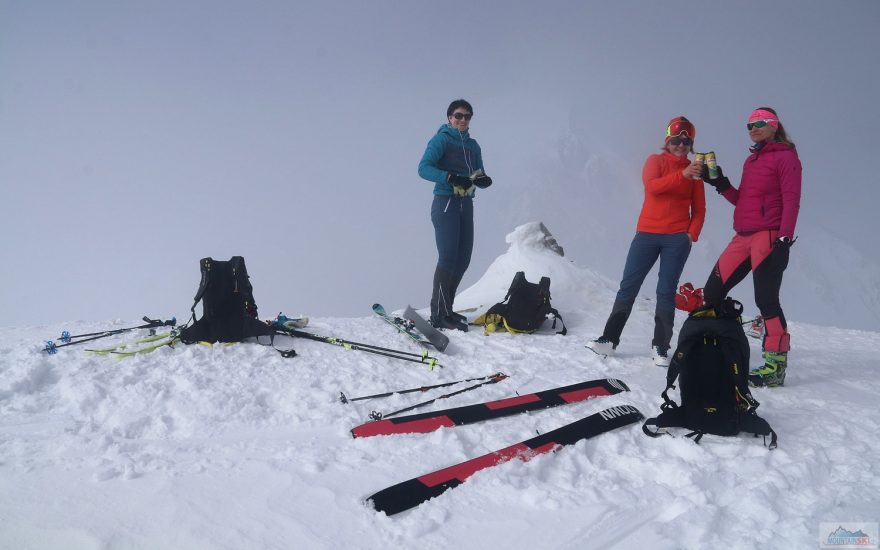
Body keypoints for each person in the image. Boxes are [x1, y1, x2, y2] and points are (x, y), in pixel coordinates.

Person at [587, 116, 706, 366]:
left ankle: (660, 347)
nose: (681, 145)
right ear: (667, 141)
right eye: (676, 140)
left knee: (665, 292)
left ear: (691, 143)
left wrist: (690, 235)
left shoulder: (695, 171)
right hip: (647, 234)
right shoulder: (656, 161)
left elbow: (700, 209)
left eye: (686, 141)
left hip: (676, 238)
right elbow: (653, 187)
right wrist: (683, 174)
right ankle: (609, 341)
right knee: (628, 286)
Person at [700, 107, 801, 387]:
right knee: (712, 292)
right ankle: (724, 346)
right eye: (749, 125)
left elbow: (792, 200)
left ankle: (776, 365)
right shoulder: (752, 161)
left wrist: (784, 239)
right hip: (742, 236)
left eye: (759, 123)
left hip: (768, 236)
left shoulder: (786, 157)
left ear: (773, 126)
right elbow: (742, 201)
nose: (753, 128)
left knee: (766, 299)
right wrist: (720, 183)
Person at [418, 99, 493, 331]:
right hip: (446, 202)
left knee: (463, 259)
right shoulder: (442, 139)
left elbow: (478, 172)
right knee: (448, 257)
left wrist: (482, 180)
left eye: (467, 116)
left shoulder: (473, 146)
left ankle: (447, 310)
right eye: (458, 115)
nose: (462, 120)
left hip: (465, 204)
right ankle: (438, 314)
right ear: (449, 117)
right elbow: (424, 168)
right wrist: (449, 177)